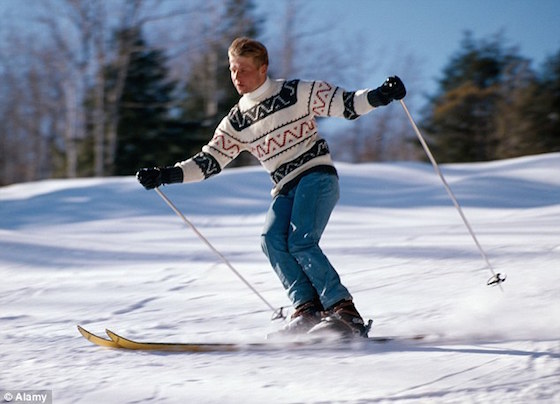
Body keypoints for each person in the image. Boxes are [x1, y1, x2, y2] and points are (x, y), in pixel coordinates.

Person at [137, 37, 406, 338]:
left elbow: (346, 104)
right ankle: (307, 309)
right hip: (284, 185)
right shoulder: (237, 120)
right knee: (272, 240)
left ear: (263, 69)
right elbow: (209, 161)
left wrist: (381, 95)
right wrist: (166, 175)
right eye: (232, 70)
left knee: (301, 240)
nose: (236, 77)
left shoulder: (296, 92)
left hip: (316, 176)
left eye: (243, 70)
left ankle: (345, 311)